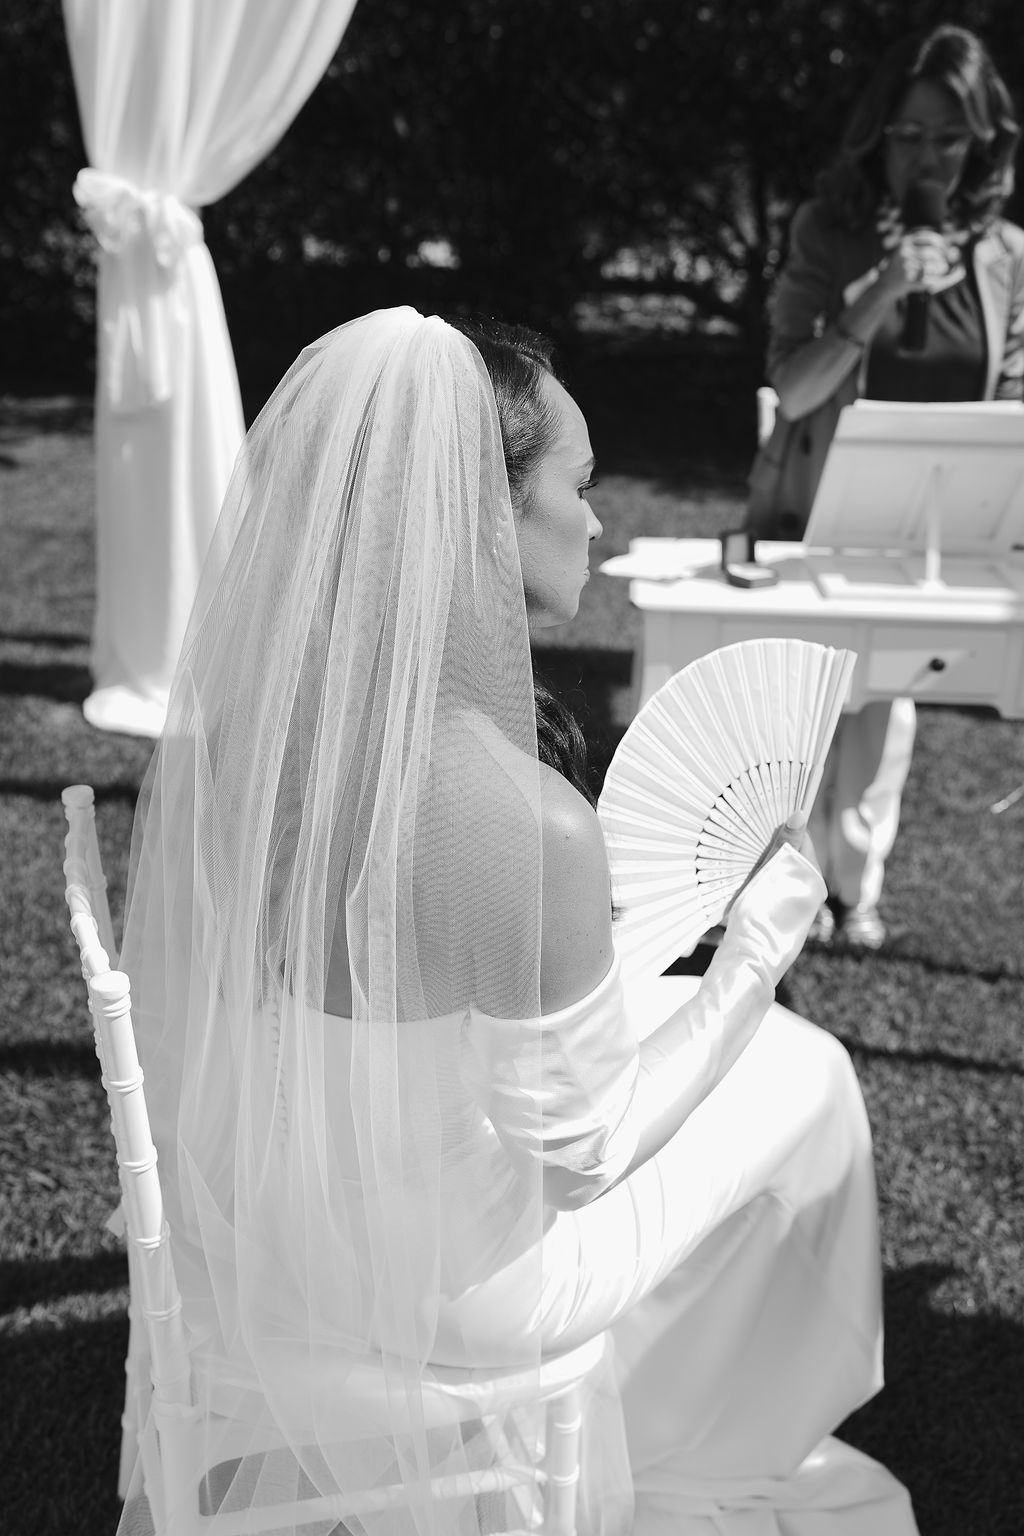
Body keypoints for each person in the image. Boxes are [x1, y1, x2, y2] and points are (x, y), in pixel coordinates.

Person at [117, 308, 919, 1535]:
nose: (599, 523)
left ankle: (666, 1410)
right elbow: (579, 1162)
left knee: (751, 1057)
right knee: (807, 1072)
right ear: (479, 515)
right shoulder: (527, 822)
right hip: (467, 1295)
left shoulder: (250, 741)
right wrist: (756, 954)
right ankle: (713, 1438)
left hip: (274, 1218)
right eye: (579, 488)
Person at [746, 24, 1024, 947]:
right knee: (798, 711)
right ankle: (774, 877)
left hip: (936, 529)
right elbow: (794, 388)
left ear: (983, 141)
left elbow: (1014, 402)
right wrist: (879, 294)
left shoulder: (1007, 256)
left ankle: (852, 889)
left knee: (886, 705)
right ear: (878, 134)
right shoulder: (828, 232)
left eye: (949, 137)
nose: (928, 157)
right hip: (815, 512)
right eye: (909, 134)